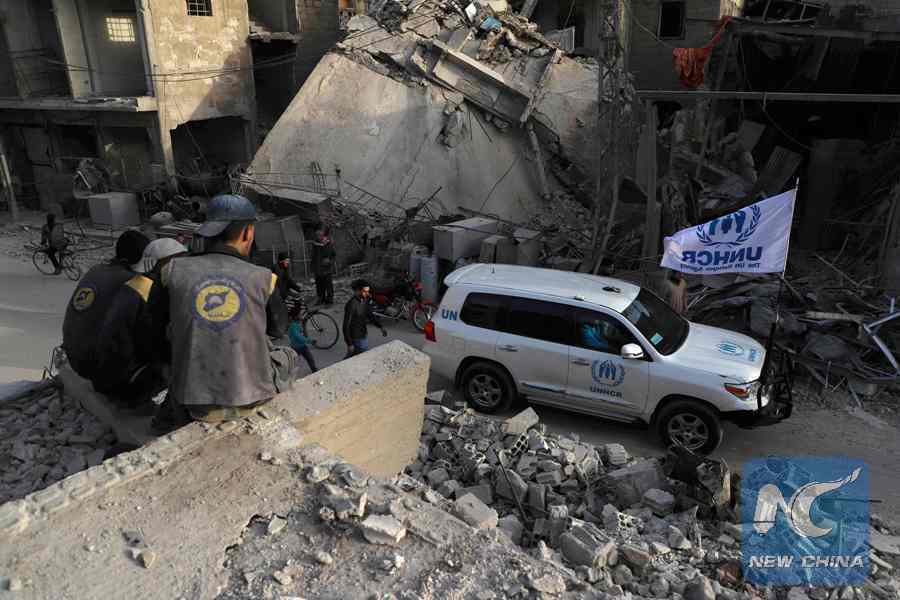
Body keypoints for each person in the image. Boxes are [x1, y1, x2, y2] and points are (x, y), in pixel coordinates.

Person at [148, 194, 297, 426]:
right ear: (248, 233)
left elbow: (153, 330)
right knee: (286, 352)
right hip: (251, 398)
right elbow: (278, 329)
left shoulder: (171, 270)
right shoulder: (264, 277)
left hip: (190, 397)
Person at [92, 238, 188, 410]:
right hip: (124, 379)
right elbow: (153, 341)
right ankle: (138, 403)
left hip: (106, 372)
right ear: (164, 262)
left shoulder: (136, 283)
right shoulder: (151, 291)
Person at [63, 230, 150, 385]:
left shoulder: (95, 270)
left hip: (73, 357)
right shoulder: (137, 282)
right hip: (103, 370)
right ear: (142, 258)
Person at [343, 279, 386, 358]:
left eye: (368, 291)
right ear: (357, 291)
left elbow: (370, 315)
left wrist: (380, 326)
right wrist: (349, 344)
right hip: (356, 338)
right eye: (364, 291)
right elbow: (345, 326)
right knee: (359, 358)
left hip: (363, 335)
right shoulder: (351, 305)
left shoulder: (365, 299)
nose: (367, 293)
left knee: (355, 358)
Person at [287, 304, 318, 373]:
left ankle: (315, 370)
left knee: (310, 359)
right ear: (296, 317)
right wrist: (310, 340)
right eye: (300, 314)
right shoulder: (293, 326)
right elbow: (299, 337)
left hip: (302, 346)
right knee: (295, 361)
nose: (301, 316)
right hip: (296, 347)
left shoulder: (297, 323)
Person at [310, 227, 336, 305]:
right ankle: (321, 298)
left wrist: (330, 261)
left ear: (323, 236)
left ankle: (330, 299)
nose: (318, 237)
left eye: (320, 235)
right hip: (318, 269)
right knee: (319, 285)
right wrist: (312, 268)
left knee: (328, 285)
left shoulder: (329, 244)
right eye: (317, 235)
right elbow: (313, 257)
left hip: (326, 269)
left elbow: (333, 256)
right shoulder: (315, 245)